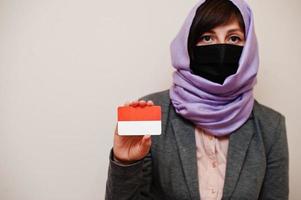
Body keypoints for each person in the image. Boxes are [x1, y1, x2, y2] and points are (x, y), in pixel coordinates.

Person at [105, 0, 289, 199]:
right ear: (189, 45)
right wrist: (124, 163)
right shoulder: (149, 111)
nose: (221, 47)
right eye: (207, 37)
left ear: (249, 48)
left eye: (234, 38)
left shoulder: (271, 125)